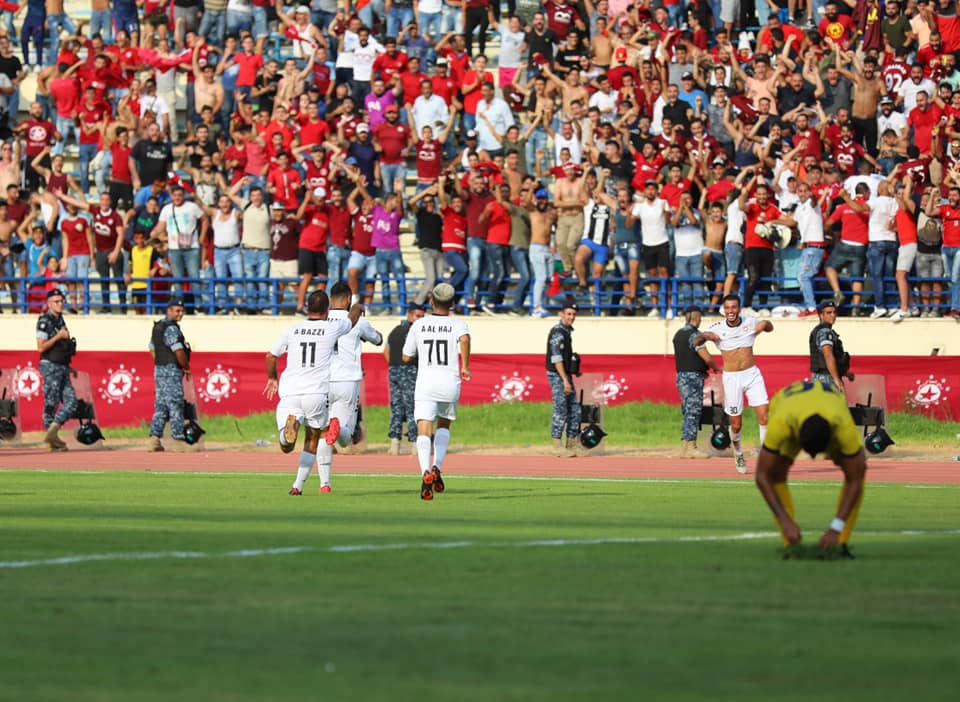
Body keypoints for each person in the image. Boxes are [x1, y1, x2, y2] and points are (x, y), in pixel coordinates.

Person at [755, 379, 867, 560]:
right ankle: (790, 543)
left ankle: (840, 543)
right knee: (776, 473)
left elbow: (857, 477)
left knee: (854, 470)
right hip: (787, 404)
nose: (814, 458)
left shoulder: (843, 425)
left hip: (830, 405)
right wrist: (784, 519)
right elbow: (762, 475)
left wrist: (835, 528)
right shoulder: (782, 423)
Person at [264, 290, 363, 495]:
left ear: (308, 308)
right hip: (315, 394)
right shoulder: (331, 329)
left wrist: (272, 378)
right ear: (327, 310)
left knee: (286, 447)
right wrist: (356, 307)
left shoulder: (292, 330)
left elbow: (271, 356)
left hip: (290, 392)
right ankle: (297, 486)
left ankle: (286, 433)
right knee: (312, 440)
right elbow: (351, 320)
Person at [401, 282, 471, 501]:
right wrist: (465, 366)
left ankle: (425, 473)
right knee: (444, 424)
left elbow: (405, 356)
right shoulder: (458, 324)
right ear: (451, 303)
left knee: (423, 428)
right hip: (449, 382)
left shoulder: (419, 325)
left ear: (432, 301)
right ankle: (437, 467)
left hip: (426, 382)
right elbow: (465, 339)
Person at [694, 295, 774, 474]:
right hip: (732, 378)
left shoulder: (750, 321)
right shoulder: (717, 328)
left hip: (752, 374)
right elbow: (699, 340)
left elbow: (769, 327)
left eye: (734, 307)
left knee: (764, 416)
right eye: (728, 308)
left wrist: (765, 324)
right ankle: (738, 453)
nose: (731, 311)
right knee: (736, 425)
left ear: (739, 308)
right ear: (724, 310)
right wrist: (704, 337)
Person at [326, 282, 383, 451]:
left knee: (322, 433)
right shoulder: (358, 322)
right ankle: (338, 429)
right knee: (345, 436)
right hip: (347, 381)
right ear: (350, 299)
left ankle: (323, 479)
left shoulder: (321, 320)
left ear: (330, 299)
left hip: (323, 381)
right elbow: (378, 340)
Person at [672, 305, 721, 458]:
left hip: (681, 377)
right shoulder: (695, 335)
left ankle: (685, 447)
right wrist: (715, 367)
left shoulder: (678, 334)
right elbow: (706, 356)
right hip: (693, 378)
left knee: (687, 411)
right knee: (693, 411)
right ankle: (691, 446)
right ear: (698, 318)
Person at [35, 288, 78, 451]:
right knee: (51, 404)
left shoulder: (60, 320)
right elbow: (41, 347)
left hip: (62, 366)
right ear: (49, 303)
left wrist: (69, 367)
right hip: (50, 365)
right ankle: (51, 440)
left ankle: (52, 432)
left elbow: (63, 347)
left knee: (71, 402)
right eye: (56, 302)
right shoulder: (44, 321)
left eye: (62, 301)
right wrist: (58, 336)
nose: (60, 304)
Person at [148, 298, 192, 452]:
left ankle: (154, 439)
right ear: (169, 311)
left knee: (160, 405)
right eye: (177, 310)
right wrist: (185, 367)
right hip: (171, 370)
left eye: (182, 311)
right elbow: (178, 350)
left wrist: (161, 363)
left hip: (159, 369)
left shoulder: (158, 327)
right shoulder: (172, 328)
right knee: (175, 404)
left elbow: (152, 349)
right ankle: (178, 440)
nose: (180, 314)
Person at [384, 302, 424, 455]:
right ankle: (415, 443)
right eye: (418, 316)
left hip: (394, 370)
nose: (420, 319)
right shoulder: (416, 331)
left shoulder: (395, 330)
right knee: (412, 407)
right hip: (410, 371)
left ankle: (395, 443)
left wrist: (395, 366)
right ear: (410, 314)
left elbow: (386, 351)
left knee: (396, 407)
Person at [546, 297, 580, 457]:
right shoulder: (558, 333)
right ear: (561, 314)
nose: (571, 317)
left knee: (574, 409)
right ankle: (557, 445)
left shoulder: (567, 332)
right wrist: (565, 380)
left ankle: (572, 444)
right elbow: (556, 358)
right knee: (560, 409)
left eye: (573, 314)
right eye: (568, 313)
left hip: (565, 375)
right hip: (558, 376)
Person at [809, 300, 856, 393]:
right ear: (821, 315)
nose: (833, 315)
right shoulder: (825, 332)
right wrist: (836, 379)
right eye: (829, 313)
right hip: (827, 378)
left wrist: (845, 373)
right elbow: (828, 355)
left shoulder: (823, 330)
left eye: (834, 312)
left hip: (823, 377)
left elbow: (833, 356)